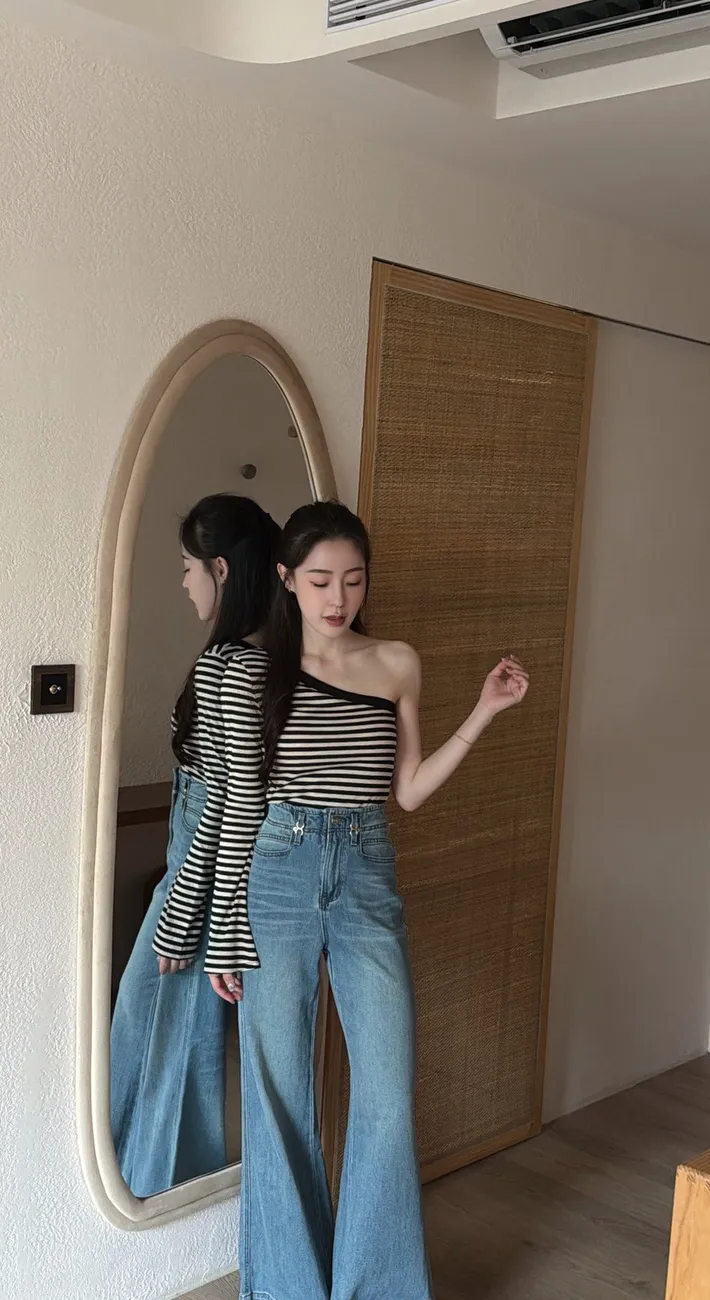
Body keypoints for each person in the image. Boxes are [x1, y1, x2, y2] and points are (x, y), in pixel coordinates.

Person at [204, 499, 529, 1299]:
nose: (338, 596)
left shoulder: (395, 662)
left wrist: (484, 710)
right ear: (286, 579)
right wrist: (221, 928)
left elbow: (407, 791)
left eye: (353, 579)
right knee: (276, 1090)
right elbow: (236, 804)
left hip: (366, 868)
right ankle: (287, 1288)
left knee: (386, 1092)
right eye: (320, 580)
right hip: (277, 870)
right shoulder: (251, 668)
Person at [109, 493, 281, 1198]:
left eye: (187, 567)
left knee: (158, 1028)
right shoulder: (262, 653)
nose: (183, 584)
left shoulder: (231, 664)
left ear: (220, 568)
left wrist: (183, 911)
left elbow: (236, 797)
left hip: (202, 869)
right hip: (209, 866)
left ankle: (147, 1193)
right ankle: (159, 1184)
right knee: (170, 1032)